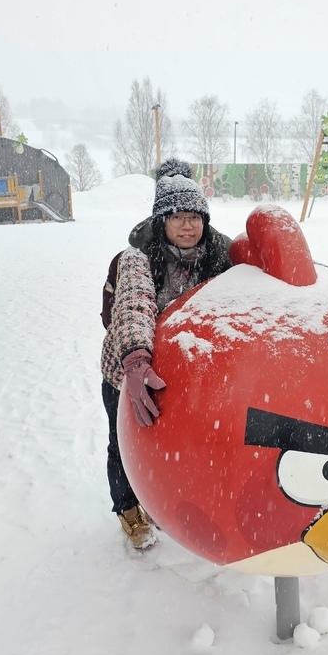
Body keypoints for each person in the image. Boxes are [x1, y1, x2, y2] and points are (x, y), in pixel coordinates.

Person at [100, 159, 233, 549]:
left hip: (184, 373)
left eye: (196, 216)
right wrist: (137, 361)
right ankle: (127, 507)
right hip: (129, 370)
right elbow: (134, 306)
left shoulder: (219, 256)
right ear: (162, 220)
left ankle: (158, 500)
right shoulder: (138, 259)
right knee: (123, 440)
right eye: (178, 217)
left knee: (173, 442)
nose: (189, 226)